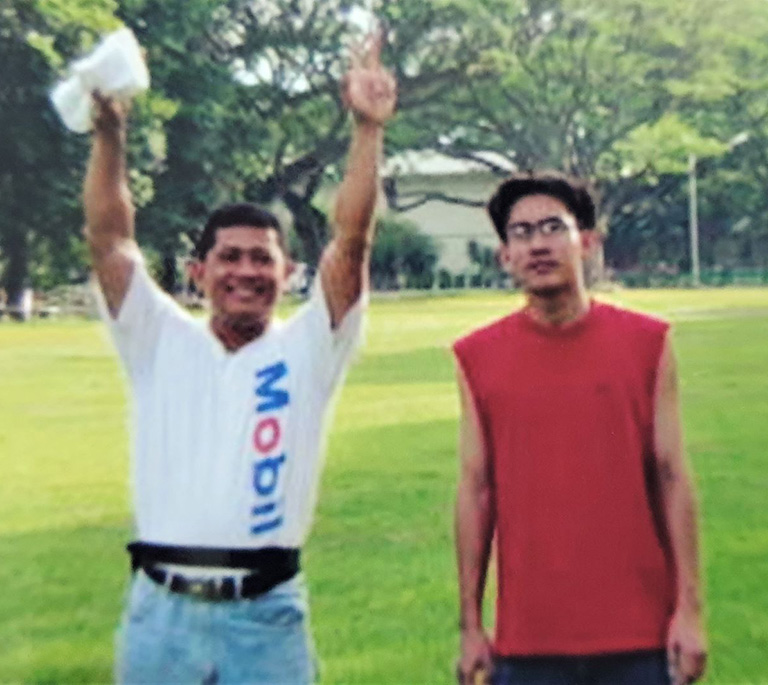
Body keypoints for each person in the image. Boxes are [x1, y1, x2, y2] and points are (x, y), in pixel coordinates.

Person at [82, 36, 396, 683]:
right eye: (230, 256)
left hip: (267, 616)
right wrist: (110, 137)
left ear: (289, 272)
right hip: (159, 614)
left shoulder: (310, 346)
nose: (246, 271)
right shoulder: (157, 336)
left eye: (263, 258)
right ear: (198, 272)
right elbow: (110, 238)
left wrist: (366, 130)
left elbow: (353, 238)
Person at [453, 171, 707, 685]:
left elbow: (672, 475)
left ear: (586, 242)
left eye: (552, 227)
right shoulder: (476, 357)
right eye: (520, 233)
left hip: (639, 633)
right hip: (527, 639)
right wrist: (472, 627)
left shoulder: (647, 344)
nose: (537, 244)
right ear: (505, 255)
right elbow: (477, 492)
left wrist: (690, 610)